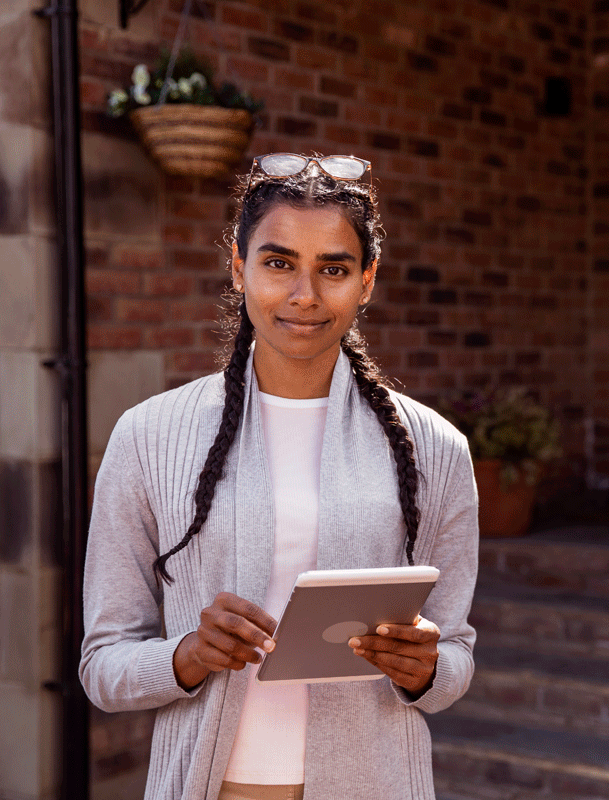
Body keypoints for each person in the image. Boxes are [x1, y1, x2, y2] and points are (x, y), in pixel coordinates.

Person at [80, 153, 479, 800]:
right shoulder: (149, 436)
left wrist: (425, 666)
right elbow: (103, 667)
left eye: (334, 269)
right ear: (237, 268)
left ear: (368, 280)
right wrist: (188, 654)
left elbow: (455, 660)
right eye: (278, 263)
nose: (305, 295)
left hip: (372, 784)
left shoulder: (434, 448)